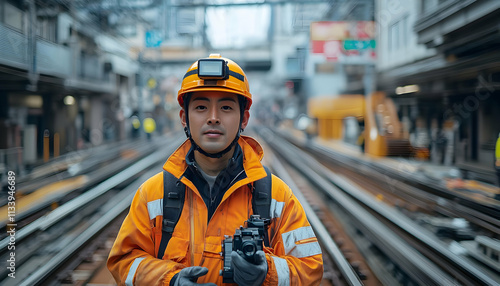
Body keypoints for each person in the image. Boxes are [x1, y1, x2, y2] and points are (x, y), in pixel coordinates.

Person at [107, 54, 324, 285]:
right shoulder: (153, 195)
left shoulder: (277, 198)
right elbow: (124, 261)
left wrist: (267, 273)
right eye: (201, 107)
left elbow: (310, 268)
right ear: (184, 117)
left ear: (244, 118)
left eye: (226, 107)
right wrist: (170, 280)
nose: (213, 118)